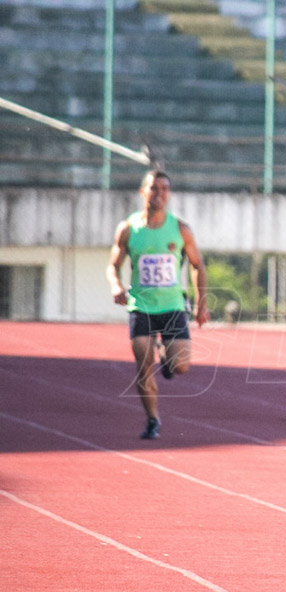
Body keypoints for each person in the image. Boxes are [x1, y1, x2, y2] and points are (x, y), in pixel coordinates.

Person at [106, 170, 209, 439]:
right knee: (143, 364)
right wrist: (116, 285)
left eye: (165, 189)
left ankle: (167, 356)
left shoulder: (180, 229)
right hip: (141, 306)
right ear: (143, 192)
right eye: (154, 188)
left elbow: (198, 265)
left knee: (181, 366)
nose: (159, 193)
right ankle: (152, 419)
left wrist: (202, 304)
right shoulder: (129, 229)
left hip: (173, 306)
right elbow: (112, 265)